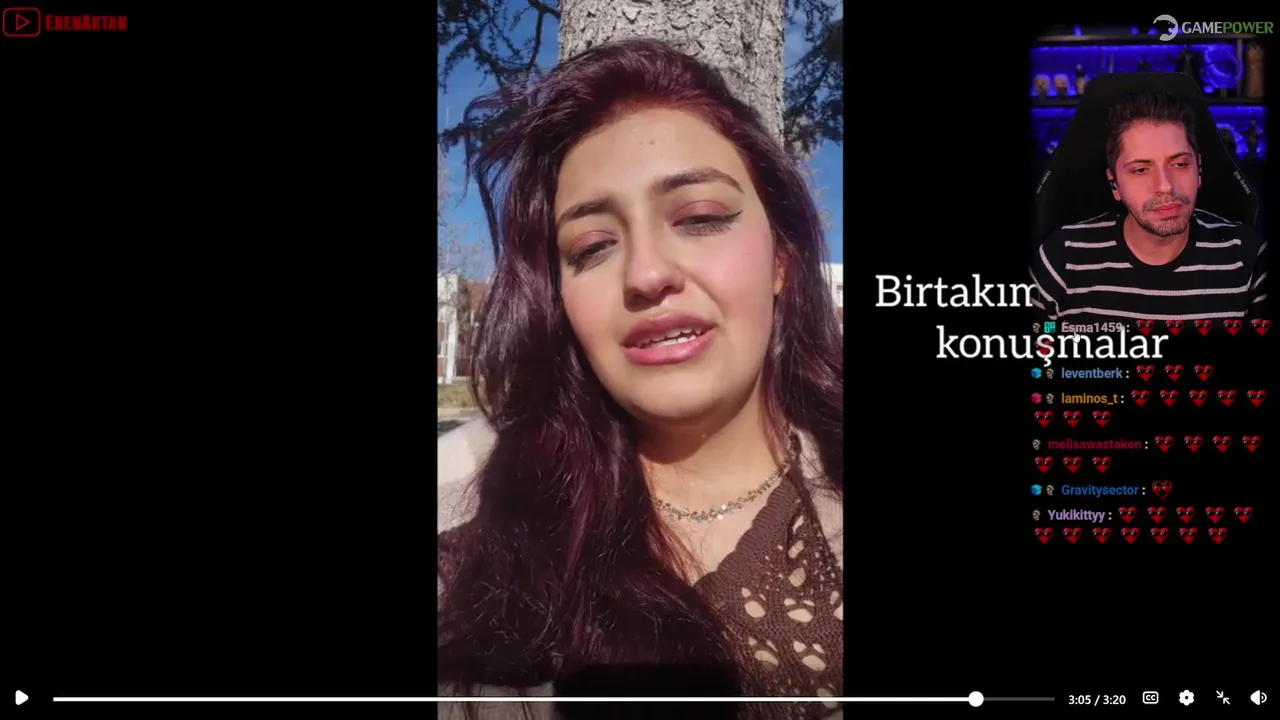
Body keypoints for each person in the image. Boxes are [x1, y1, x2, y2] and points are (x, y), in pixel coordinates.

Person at [436, 38, 845, 720]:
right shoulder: (466, 514)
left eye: (701, 218)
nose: (647, 274)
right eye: (592, 247)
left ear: (782, 260)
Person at [1030, 91, 1267, 326]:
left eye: (1180, 164)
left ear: (1199, 171)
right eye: (1141, 170)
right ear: (1114, 184)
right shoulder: (1062, 258)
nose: (1166, 186)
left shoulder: (1248, 257)